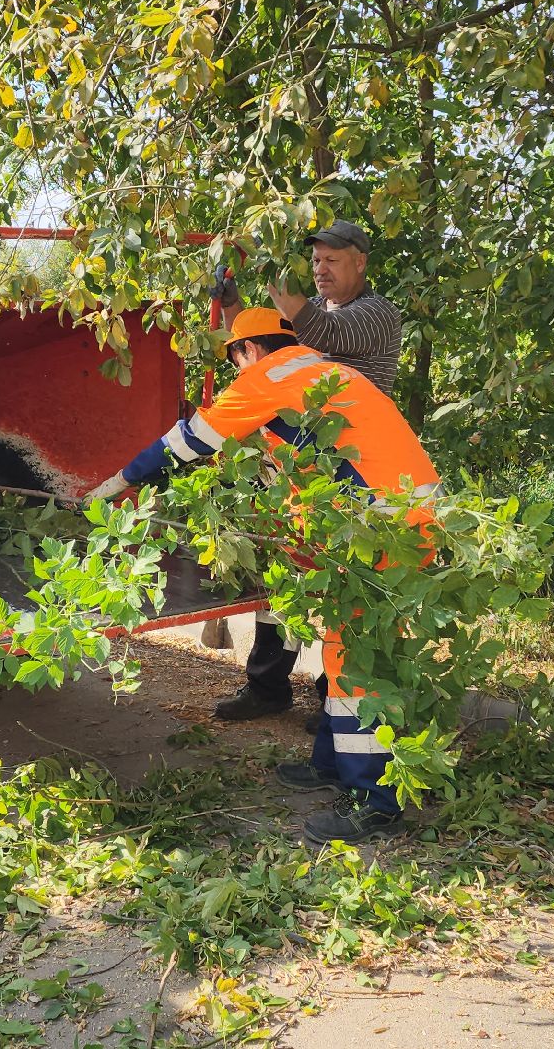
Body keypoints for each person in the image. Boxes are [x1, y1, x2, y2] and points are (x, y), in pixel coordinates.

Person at [86, 308, 439, 843]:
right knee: (345, 653)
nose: (235, 373)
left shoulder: (265, 379)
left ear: (246, 352)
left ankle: (376, 803)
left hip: (383, 533)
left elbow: (187, 443)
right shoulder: (324, 371)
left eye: (234, 359)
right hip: (401, 524)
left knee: (358, 668)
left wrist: (117, 484)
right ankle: (331, 764)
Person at [211, 221, 404, 730]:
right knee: (282, 580)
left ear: (360, 261)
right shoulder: (314, 316)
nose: (320, 269)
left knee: (344, 590)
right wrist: (233, 306)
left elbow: (324, 333)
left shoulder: (375, 315)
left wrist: (287, 289)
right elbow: (266, 351)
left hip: (352, 479)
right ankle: (267, 687)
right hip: (298, 474)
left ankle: (333, 701)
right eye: (315, 260)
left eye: (331, 260)